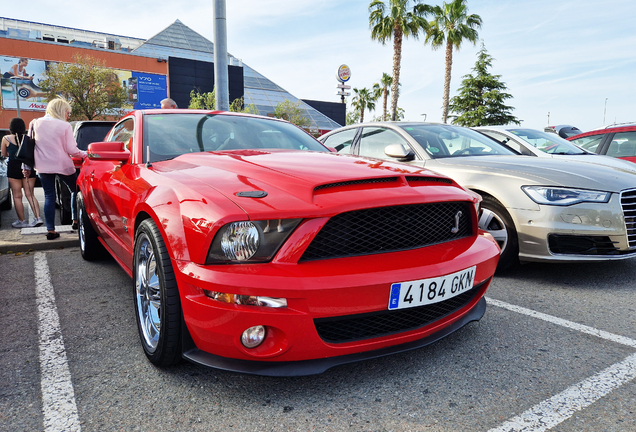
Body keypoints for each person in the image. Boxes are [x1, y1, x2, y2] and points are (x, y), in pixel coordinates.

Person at [22, 98, 86, 240]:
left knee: (49, 196)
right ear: (61, 110)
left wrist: (25, 166)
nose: (68, 115)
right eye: (67, 112)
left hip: (43, 166)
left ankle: (51, 230)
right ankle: (75, 220)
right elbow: (71, 149)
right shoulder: (65, 126)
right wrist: (86, 154)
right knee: (75, 190)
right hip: (62, 164)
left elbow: (28, 146)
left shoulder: (35, 123)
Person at [1, 118, 42, 228]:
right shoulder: (29, 138)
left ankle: (22, 221)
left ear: (11, 127)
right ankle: (38, 218)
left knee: (17, 196)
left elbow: (4, 154)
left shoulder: (6, 138)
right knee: (30, 194)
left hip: (13, 167)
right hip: (28, 167)